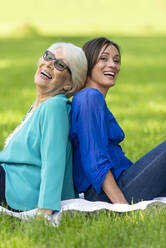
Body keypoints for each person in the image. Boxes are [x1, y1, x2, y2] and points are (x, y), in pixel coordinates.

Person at [70, 37, 166, 205]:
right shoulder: (89, 98)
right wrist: (122, 206)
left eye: (116, 60)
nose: (113, 65)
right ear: (87, 64)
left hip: (124, 179)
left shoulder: (92, 98)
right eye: (103, 58)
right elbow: (95, 160)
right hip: (108, 192)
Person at [0, 42, 87, 215]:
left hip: (20, 191)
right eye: (48, 56)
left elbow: (53, 160)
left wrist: (45, 209)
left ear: (70, 84)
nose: (48, 64)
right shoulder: (41, 104)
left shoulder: (54, 107)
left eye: (60, 64)